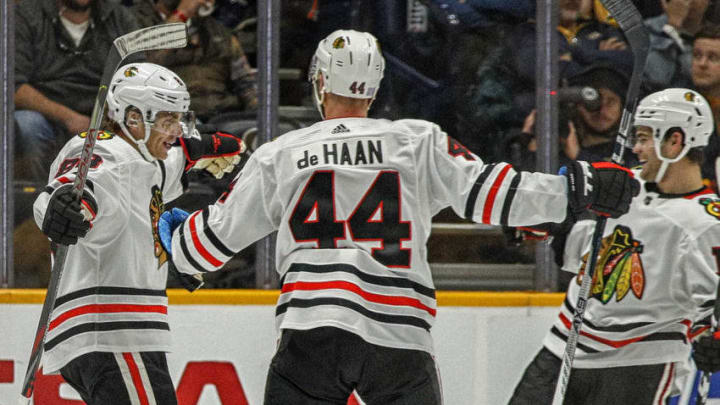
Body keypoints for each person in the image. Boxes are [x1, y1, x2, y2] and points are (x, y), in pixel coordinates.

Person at [153, 29, 638, 404]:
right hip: (399, 336)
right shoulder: (416, 140)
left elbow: (207, 247)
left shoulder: (281, 152)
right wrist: (582, 188)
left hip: (311, 332)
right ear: (377, 85)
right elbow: (496, 194)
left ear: (320, 82)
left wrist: (178, 232)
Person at [31, 62, 246, 404]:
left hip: (110, 331)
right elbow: (73, 188)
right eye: (167, 120)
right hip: (111, 329)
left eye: (179, 119)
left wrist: (200, 148)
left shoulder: (143, 158)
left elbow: (166, 166)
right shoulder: (103, 151)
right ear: (132, 118)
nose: (177, 130)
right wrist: (66, 207)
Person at [509, 88, 720, 404]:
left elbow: (711, 310)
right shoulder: (620, 187)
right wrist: (541, 217)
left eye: (646, 137)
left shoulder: (705, 222)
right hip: (562, 349)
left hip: (637, 366)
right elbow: (572, 239)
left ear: (675, 141)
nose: (636, 147)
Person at [14, 0, 142, 182]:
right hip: (46, 114)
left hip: (104, 115)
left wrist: (107, 119)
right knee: (27, 125)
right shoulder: (27, 15)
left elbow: (138, 77)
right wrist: (69, 118)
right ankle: (39, 202)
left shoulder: (119, 17)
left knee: (140, 124)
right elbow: (13, 86)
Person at [131, 0, 258, 122]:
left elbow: (246, 84)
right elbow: (144, 64)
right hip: (171, 118)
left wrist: (260, 117)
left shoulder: (218, 31)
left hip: (223, 116)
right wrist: (182, 14)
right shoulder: (134, 20)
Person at [642, 0, 711, 93]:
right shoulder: (643, 31)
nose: (689, 2)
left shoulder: (714, 35)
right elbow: (658, 77)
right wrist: (672, 28)